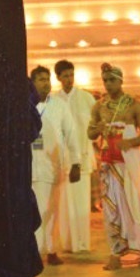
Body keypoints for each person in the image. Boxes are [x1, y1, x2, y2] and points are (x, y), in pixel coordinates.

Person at [87, 63, 140, 270]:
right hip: (108, 165)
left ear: (121, 80)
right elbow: (90, 134)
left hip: (128, 166)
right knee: (110, 209)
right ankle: (115, 254)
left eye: (111, 80)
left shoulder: (134, 105)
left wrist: (130, 143)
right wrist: (96, 130)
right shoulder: (99, 106)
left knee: (136, 204)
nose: (107, 84)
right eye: (105, 80)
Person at [29, 66, 80, 265]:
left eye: (47, 79)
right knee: (33, 212)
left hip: (52, 167)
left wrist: (76, 162)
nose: (45, 83)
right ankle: (34, 252)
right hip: (29, 168)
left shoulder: (59, 105)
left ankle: (50, 250)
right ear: (32, 83)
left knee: (52, 210)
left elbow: (71, 134)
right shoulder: (24, 106)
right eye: (41, 79)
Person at [48, 60, 95, 257]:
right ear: (58, 78)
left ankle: (82, 243)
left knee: (81, 202)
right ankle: (66, 243)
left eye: (71, 75)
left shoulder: (87, 98)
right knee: (63, 204)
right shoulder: (52, 101)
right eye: (65, 76)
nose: (69, 79)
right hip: (60, 161)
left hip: (82, 159)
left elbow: (94, 127)